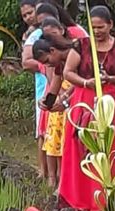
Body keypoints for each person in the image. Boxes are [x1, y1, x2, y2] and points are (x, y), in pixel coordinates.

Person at [60, 6, 115, 211]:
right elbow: (67, 72)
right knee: (79, 145)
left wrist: (109, 79)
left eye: (101, 27)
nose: (97, 31)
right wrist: (85, 82)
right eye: (93, 28)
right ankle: (76, 196)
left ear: (110, 25)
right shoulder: (81, 45)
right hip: (84, 98)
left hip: (109, 100)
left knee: (105, 145)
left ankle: (102, 198)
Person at [33, 31, 76, 190]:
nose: (48, 65)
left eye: (47, 61)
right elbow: (54, 87)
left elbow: (78, 85)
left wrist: (64, 100)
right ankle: (62, 182)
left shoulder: (75, 56)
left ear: (53, 51)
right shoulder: (59, 65)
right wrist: (47, 102)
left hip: (79, 105)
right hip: (65, 104)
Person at [23, 3, 61, 183]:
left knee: (60, 136)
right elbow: (26, 63)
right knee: (44, 132)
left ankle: (60, 176)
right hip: (46, 89)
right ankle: (45, 172)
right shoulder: (35, 38)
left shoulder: (67, 42)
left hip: (62, 92)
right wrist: (44, 66)